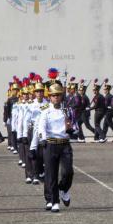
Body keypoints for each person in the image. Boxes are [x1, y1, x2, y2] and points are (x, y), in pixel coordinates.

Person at [30, 82, 76, 212]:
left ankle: (64, 189)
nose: (56, 97)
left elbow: (74, 124)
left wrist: (72, 129)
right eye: (53, 95)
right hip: (50, 144)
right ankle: (54, 201)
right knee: (51, 174)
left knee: (68, 171)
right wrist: (42, 139)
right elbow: (41, 126)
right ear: (50, 96)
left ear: (61, 96)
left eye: (58, 95)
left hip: (64, 143)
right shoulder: (45, 110)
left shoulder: (67, 109)